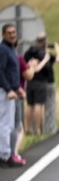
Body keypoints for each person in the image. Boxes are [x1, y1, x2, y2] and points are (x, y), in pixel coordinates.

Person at [23, 32, 59, 134]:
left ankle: (28, 128)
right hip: (40, 81)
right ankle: (37, 129)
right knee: (38, 105)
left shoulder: (28, 53)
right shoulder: (43, 54)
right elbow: (39, 68)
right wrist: (46, 58)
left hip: (29, 81)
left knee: (30, 105)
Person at [0, 23, 24, 167]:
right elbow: (0, 71)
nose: (12, 35)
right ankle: (5, 156)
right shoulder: (3, 49)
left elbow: (11, 72)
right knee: (5, 124)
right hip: (4, 92)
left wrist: (17, 88)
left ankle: (7, 154)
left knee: (8, 124)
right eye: (9, 33)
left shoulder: (11, 49)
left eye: (14, 32)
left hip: (10, 91)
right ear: (3, 34)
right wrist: (9, 89)